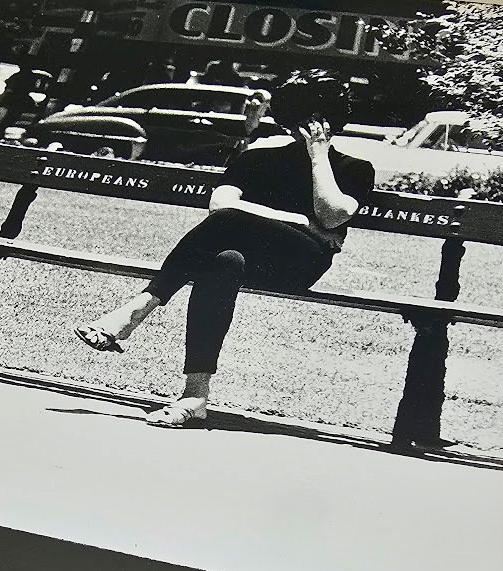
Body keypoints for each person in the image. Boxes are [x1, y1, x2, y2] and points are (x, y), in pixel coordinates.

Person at [74, 71, 375, 428]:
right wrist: (302, 222)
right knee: (224, 262)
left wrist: (318, 157)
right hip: (252, 260)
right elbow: (222, 206)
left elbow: (332, 213)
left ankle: (137, 308)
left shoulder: (354, 169)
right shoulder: (259, 159)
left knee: (231, 226)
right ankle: (194, 396)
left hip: (297, 265)